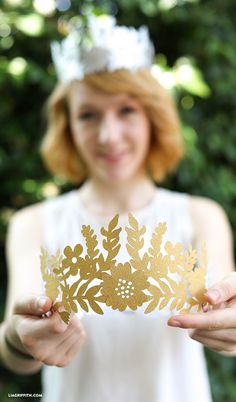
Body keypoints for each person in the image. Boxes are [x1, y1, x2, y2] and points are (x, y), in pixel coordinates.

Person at [0, 15, 235, 402]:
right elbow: (17, 351)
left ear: (152, 117)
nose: (109, 136)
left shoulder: (200, 217)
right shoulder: (33, 224)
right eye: (88, 115)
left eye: (126, 110)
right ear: (68, 126)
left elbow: (226, 306)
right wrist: (18, 336)